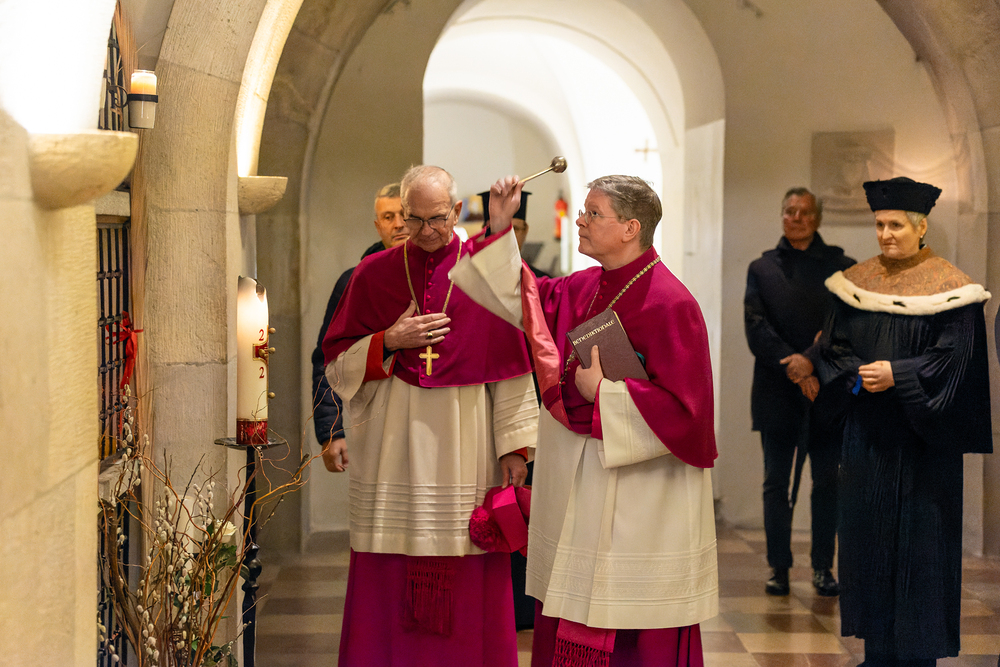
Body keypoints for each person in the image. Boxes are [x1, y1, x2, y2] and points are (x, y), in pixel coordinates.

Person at [452, 174, 718, 666]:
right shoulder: (583, 286)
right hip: (578, 479)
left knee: (629, 623)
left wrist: (605, 394)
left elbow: (689, 415)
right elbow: (520, 298)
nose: (580, 220)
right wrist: (500, 227)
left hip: (639, 498)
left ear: (630, 228)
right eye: (584, 211)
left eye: (594, 214)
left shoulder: (672, 303)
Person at [321, 165, 540, 667]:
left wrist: (514, 448)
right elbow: (335, 364)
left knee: (469, 569)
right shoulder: (372, 274)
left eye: (437, 219)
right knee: (388, 568)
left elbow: (511, 367)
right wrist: (388, 340)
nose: (424, 231)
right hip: (392, 445)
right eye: (414, 219)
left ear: (457, 211)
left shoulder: (481, 274)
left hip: (467, 443)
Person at [815, 176, 992, 666]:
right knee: (869, 544)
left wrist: (899, 375)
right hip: (867, 440)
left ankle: (918, 657)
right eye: (879, 225)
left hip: (923, 447)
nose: (886, 234)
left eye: (896, 225)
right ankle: (877, 653)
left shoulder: (952, 289)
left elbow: (956, 362)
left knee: (921, 551)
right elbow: (833, 350)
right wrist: (858, 377)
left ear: (921, 227)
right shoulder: (855, 284)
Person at [743, 187, 855, 597]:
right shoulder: (761, 268)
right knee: (775, 483)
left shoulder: (843, 268)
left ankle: (823, 567)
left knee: (827, 483)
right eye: (789, 211)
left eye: (805, 212)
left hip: (827, 391)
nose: (796, 218)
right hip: (777, 390)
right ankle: (779, 567)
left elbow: (844, 328)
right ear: (781, 215)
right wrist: (794, 366)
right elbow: (756, 327)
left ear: (818, 218)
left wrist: (810, 361)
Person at [311, 182, 407, 472]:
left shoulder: (443, 276)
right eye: (388, 217)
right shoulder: (355, 281)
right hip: (374, 414)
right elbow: (327, 358)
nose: (399, 224)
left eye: (404, 214)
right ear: (378, 226)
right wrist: (331, 430)